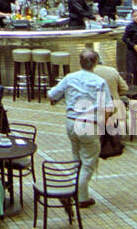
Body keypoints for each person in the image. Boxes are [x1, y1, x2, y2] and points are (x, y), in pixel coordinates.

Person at [47, 48, 115, 208]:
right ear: (96, 63)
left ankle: (80, 195)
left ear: (80, 62)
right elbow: (108, 108)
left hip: (71, 123)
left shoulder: (70, 78)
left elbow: (51, 95)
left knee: (76, 159)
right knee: (89, 163)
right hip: (89, 125)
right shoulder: (99, 82)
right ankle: (75, 195)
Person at [122, 7, 137, 88]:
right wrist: (134, 46)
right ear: (132, 17)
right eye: (135, 16)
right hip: (132, 52)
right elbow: (124, 38)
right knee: (132, 72)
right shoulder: (130, 26)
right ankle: (132, 93)